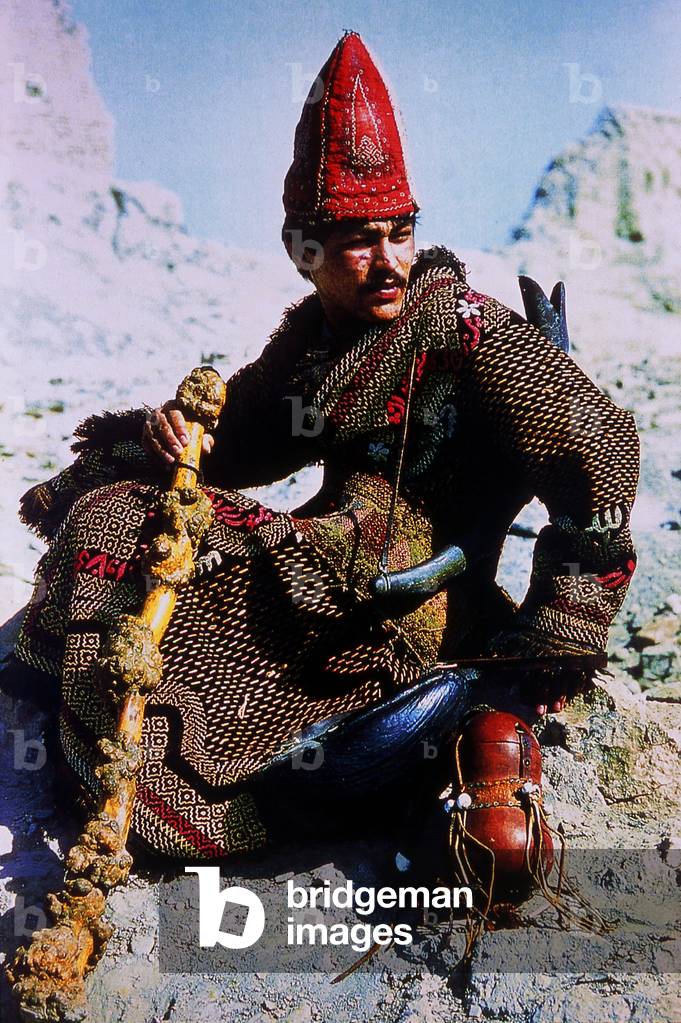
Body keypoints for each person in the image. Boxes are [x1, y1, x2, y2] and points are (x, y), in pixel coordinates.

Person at [12, 32, 639, 860]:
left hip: (415, 606)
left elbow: (600, 451)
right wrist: (173, 436)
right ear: (302, 251)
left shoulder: (464, 327)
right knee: (115, 516)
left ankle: (227, 798)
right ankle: (86, 724)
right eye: (358, 239)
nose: (388, 262)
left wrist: (548, 638)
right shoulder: (313, 340)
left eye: (400, 233)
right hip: (322, 569)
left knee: (151, 561)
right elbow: (240, 441)